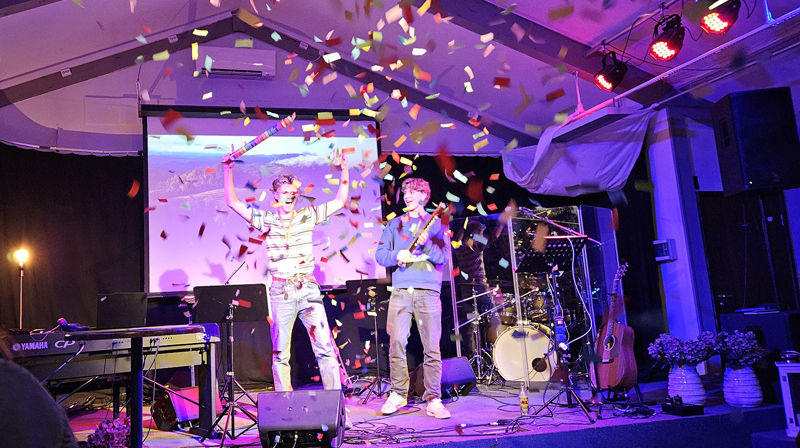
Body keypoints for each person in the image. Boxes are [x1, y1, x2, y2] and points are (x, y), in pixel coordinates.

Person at [223, 153, 349, 393]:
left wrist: (344, 169)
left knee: (324, 348)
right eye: (285, 192)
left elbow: (340, 201)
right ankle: (285, 408)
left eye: (293, 192)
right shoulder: (267, 220)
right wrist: (228, 169)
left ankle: (336, 406)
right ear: (276, 195)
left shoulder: (307, 215)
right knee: (281, 352)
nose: (290, 196)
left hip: (308, 289)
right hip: (281, 291)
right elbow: (233, 203)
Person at [375, 177, 451, 419]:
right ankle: (398, 393)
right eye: (405, 191)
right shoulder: (394, 225)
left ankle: (433, 399)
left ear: (424, 196)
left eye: (414, 191)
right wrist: (398, 255)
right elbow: (381, 255)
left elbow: (441, 258)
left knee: (432, 348)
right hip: (400, 292)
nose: (407, 195)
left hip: (428, 292)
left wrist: (427, 242)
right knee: (396, 342)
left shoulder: (437, 224)